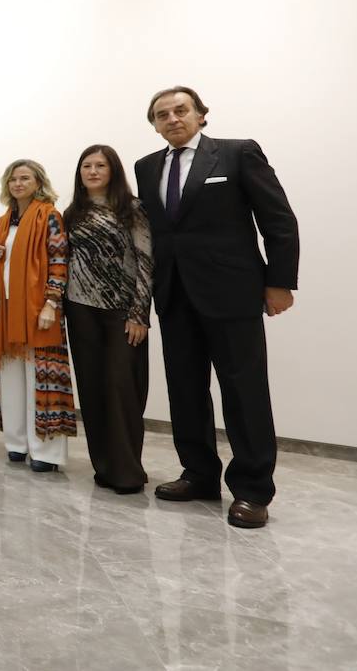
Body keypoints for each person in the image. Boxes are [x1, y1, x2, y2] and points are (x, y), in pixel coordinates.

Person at [134, 87, 299, 528]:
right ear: (154, 124)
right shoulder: (147, 167)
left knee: (244, 392)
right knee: (185, 389)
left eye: (180, 110)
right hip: (174, 294)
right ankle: (199, 474)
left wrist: (279, 282)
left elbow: (278, 219)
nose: (172, 119)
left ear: (201, 115)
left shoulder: (236, 154)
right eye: (161, 114)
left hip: (232, 293)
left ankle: (251, 489)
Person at [63, 145, 153, 494]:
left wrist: (139, 313)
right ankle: (103, 467)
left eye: (101, 165)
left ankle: (128, 471)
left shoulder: (132, 209)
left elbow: (146, 261)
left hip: (121, 312)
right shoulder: (73, 213)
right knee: (93, 388)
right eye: (87, 165)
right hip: (80, 310)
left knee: (123, 388)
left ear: (113, 170)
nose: (93, 171)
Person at [0, 159, 75, 472]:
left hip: (39, 309)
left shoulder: (49, 215)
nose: (18, 184)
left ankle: (46, 453)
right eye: (13, 179)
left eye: (25, 178)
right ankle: (17, 443)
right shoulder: (2, 221)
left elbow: (58, 260)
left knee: (43, 378)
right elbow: (0, 267)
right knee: (10, 379)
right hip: (8, 309)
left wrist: (52, 302)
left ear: (38, 182)